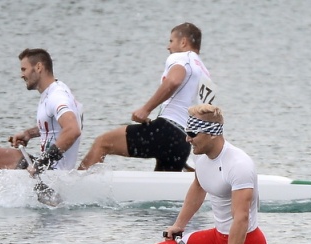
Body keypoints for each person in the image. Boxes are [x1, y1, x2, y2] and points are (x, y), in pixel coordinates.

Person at [136, 104, 267, 244]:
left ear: (212, 133)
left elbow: (241, 218)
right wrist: (179, 225)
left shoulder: (239, 165)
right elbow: (198, 186)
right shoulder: (201, 156)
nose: (187, 139)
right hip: (217, 239)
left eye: (192, 133)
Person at [78, 23, 212, 172]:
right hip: (183, 142)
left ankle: (74, 187)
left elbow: (174, 80)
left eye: (171, 41)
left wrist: (146, 109)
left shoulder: (180, 57)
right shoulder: (205, 72)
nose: (168, 47)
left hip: (167, 131)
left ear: (183, 42)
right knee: (161, 193)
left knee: (102, 143)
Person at [0, 48, 83, 174]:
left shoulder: (57, 96)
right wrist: (29, 134)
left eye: (24, 69)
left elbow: (73, 130)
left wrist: (42, 162)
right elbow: (57, 125)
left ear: (38, 67)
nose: (21, 75)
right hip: (48, 169)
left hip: (50, 173)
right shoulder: (57, 89)